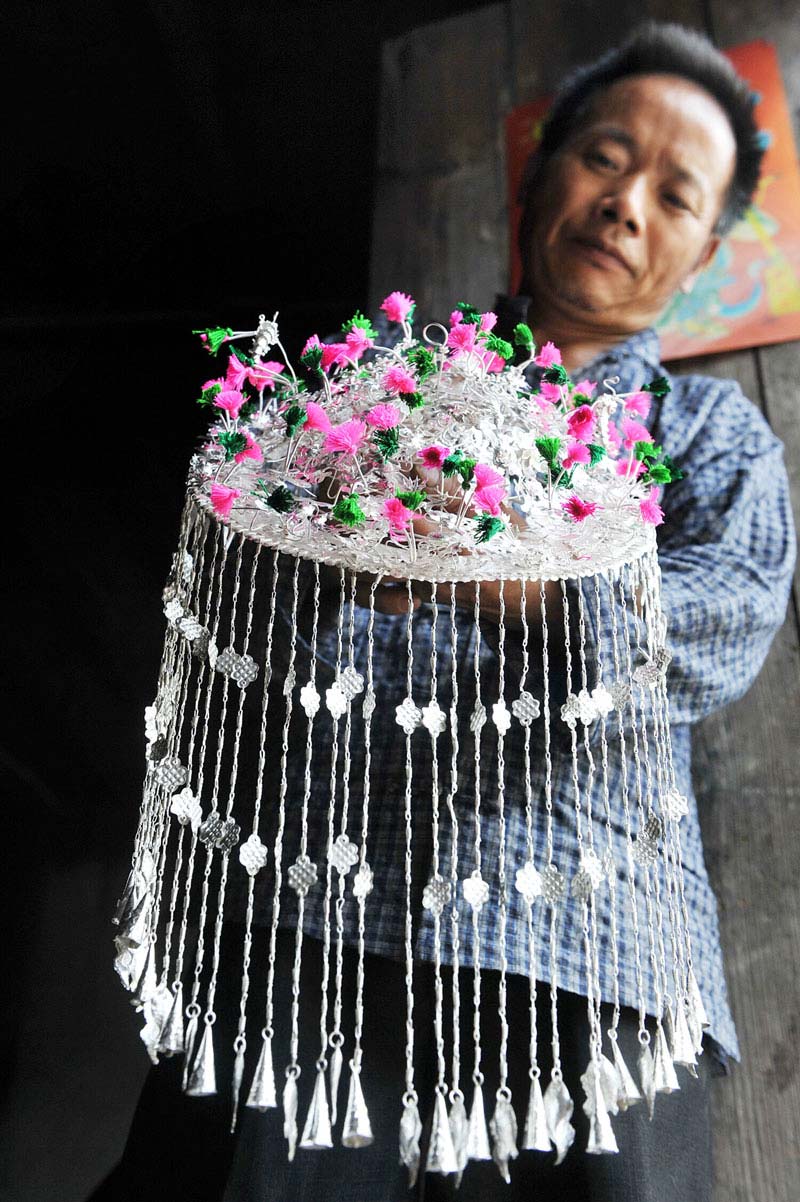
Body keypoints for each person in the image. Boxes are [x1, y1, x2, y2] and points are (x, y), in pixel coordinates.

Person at [91, 20, 795, 1202]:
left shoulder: (706, 436)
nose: (625, 206)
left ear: (701, 253)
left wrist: (510, 580)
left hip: (590, 954)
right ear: (537, 175)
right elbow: (232, 603)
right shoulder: (368, 389)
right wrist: (317, 558)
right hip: (314, 928)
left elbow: (717, 626)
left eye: (676, 195)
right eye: (604, 156)